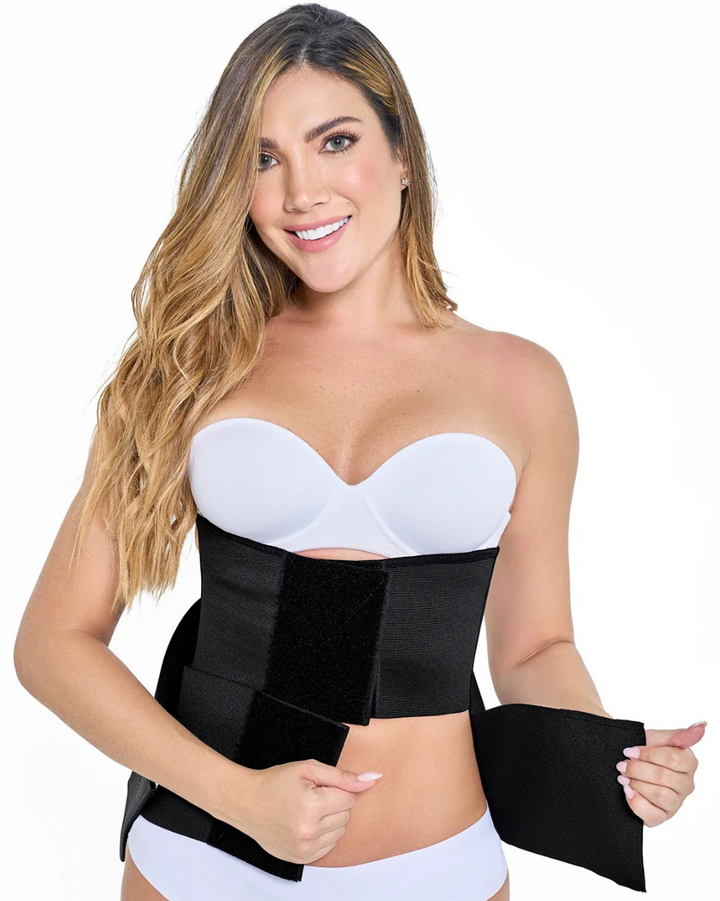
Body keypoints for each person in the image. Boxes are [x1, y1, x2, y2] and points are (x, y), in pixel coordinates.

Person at [13, 5, 703, 901]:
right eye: (263, 158)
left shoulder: (523, 383)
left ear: (403, 152)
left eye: (334, 142)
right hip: (205, 859)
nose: (301, 191)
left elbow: (535, 644)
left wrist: (613, 756)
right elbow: (53, 643)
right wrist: (238, 797)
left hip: (440, 865)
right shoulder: (190, 364)